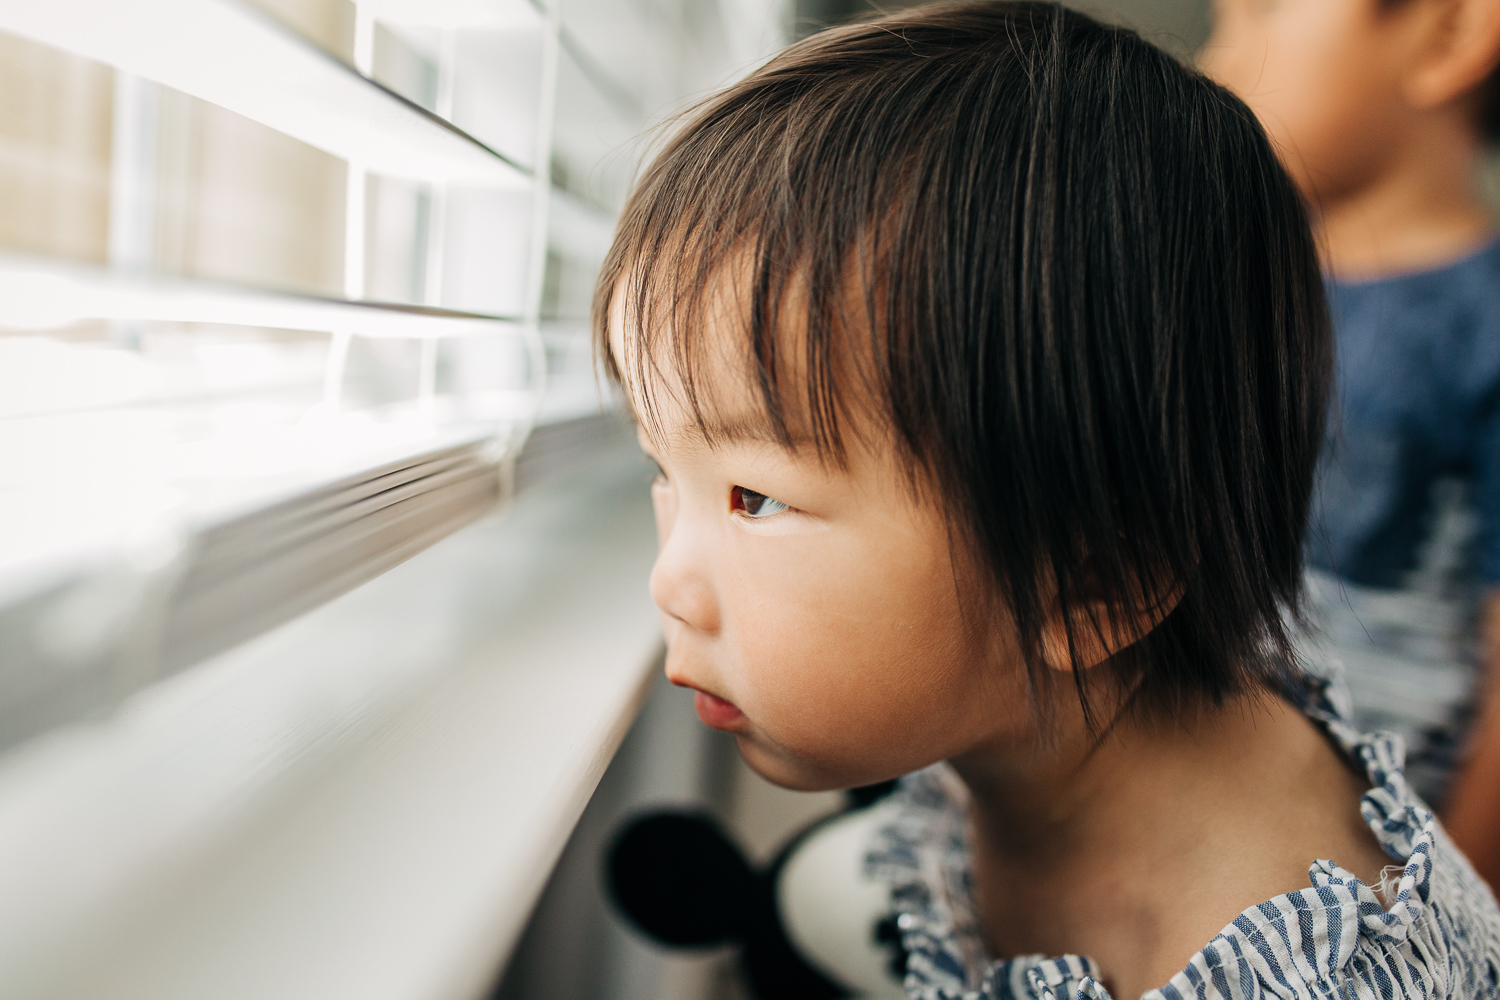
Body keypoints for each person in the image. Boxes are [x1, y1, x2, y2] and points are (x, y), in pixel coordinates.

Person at [595, 4, 1500, 998]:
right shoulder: (1011, 725)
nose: (668, 581)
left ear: (1094, 580)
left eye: (754, 497)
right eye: (659, 467)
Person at [1201, 0, 1500, 883]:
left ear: (1448, 36)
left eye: (1259, 16)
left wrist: (1449, 915)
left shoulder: (1482, 329)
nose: (1218, 60)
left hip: (1360, 889)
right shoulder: (1215, 280)